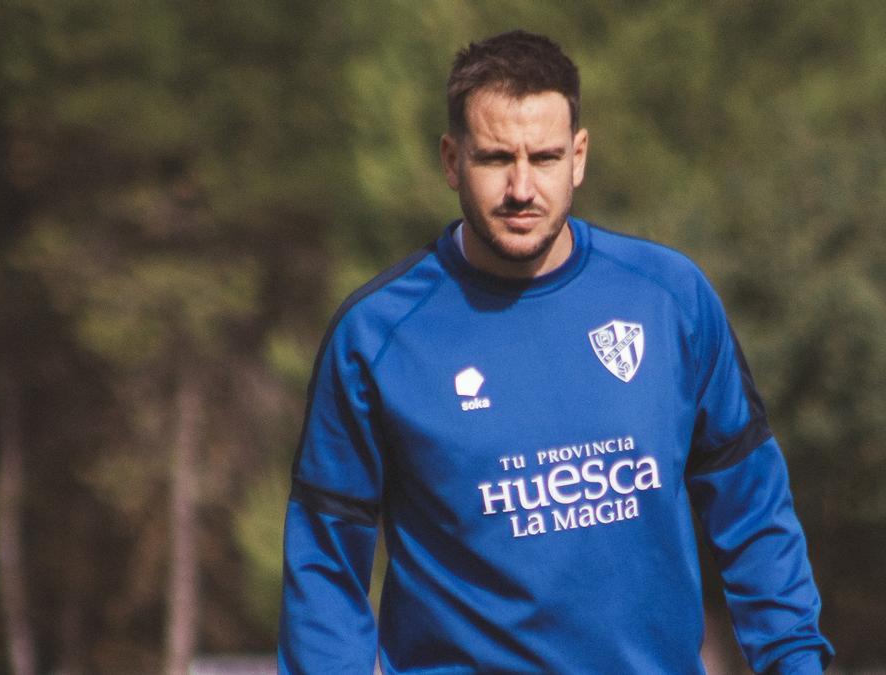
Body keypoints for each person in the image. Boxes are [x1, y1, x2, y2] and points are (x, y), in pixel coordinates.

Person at [278, 29, 833, 674]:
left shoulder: (669, 298)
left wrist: (795, 662)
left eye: (543, 158)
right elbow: (325, 565)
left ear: (579, 156)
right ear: (451, 159)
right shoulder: (375, 337)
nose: (521, 188)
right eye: (494, 159)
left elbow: (753, 507)